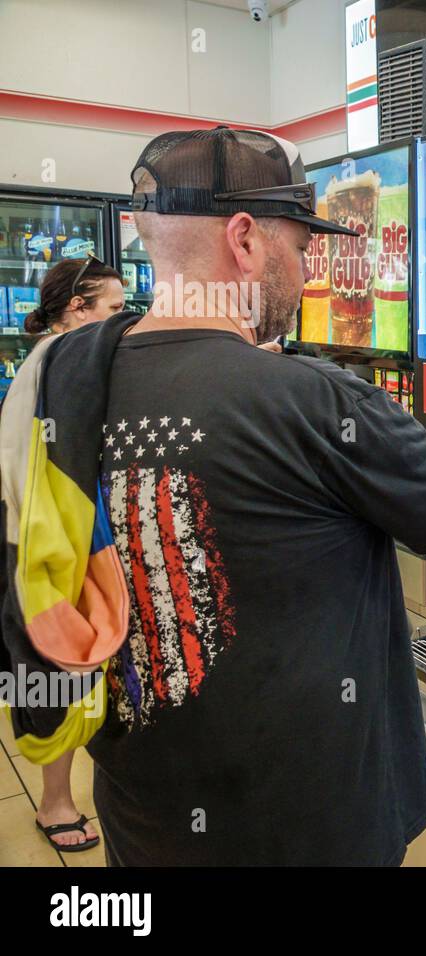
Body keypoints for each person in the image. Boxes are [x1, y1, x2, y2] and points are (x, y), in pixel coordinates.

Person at [51, 128, 426, 865]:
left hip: (143, 821)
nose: (311, 269)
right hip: (304, 832)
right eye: (300, 245)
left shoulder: (71, 378)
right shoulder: (311, 402)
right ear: (245, 240)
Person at [18, 256, 125, 853]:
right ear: (76, 310)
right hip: (53, 541)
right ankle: (54, 800)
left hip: (63, 534)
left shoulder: (63, 358)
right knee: (59, 667)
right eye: (111, 308)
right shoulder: (53, 364)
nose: (121, 320)